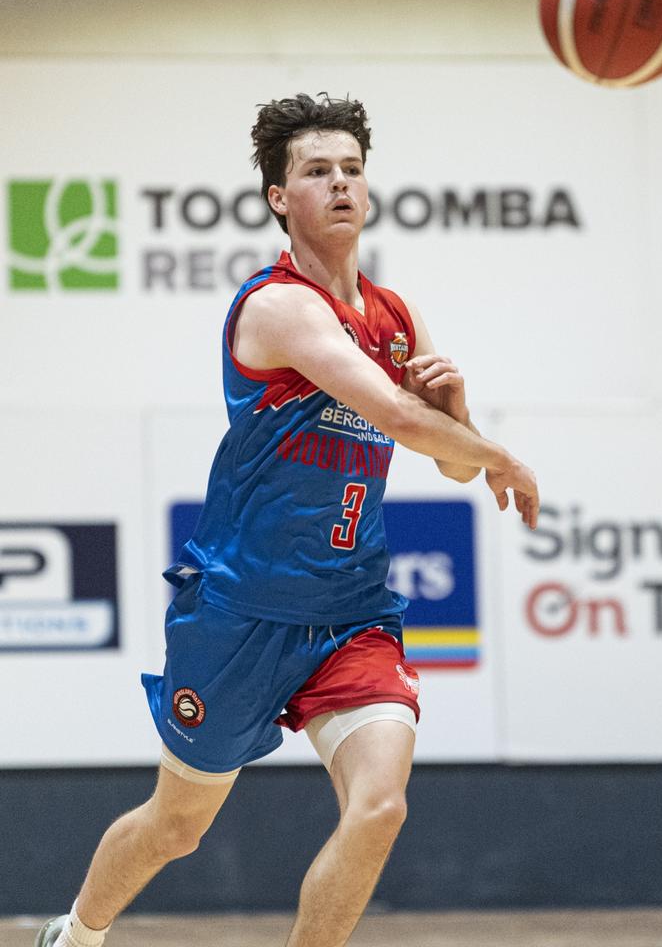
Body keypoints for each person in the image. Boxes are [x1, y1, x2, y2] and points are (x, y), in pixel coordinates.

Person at [36, 92, 539, 947]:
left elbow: (446, 459)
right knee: (177, 826)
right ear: (280, 197)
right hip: (240, 611)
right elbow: (405, 424)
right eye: (317, 171)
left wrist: (464, 416)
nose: (340, 183)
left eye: (352, 169)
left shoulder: (397, 317)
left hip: (350, 613)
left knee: (379, 807)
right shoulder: (279, 306)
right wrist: (498, 450)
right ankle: (77, 933)